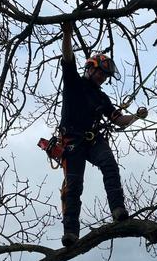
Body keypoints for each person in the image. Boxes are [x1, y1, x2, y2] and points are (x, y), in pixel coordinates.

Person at [59, 21, 148, 247]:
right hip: (72, 141)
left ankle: (118, 209)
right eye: (100, 73)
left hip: (92, 139)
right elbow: (68, 59)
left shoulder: (102, 98)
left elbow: (118, 120)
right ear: (90, 68)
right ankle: (71, 232)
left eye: (105, 76)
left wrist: (136, 116)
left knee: (109, 164)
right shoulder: (73, 83)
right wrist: (67, 34)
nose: (102, 78)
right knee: (74, 186)